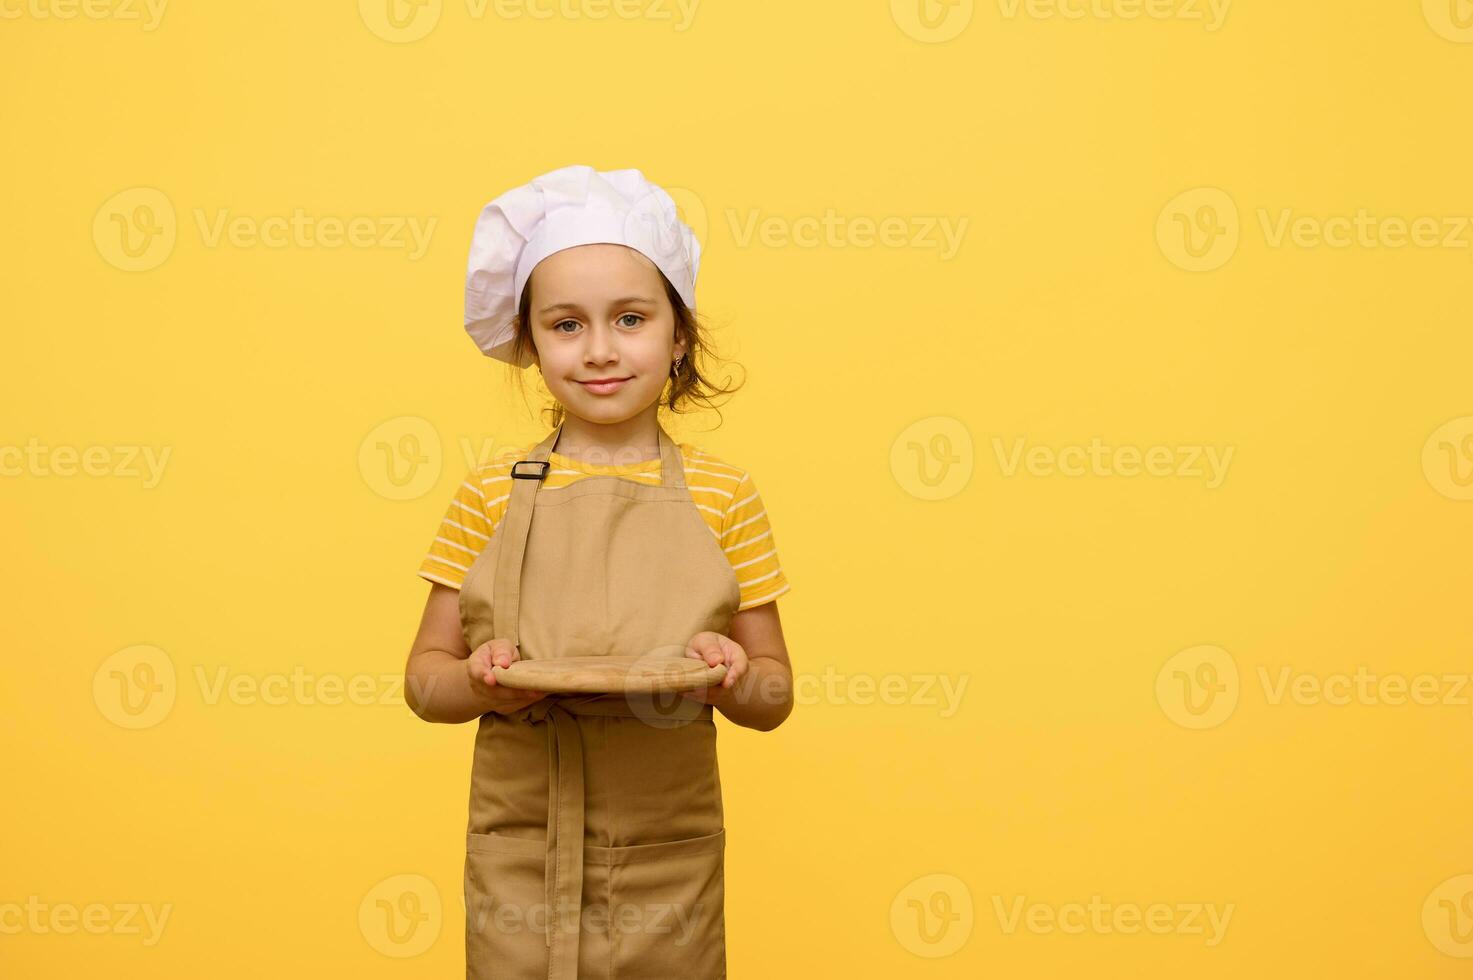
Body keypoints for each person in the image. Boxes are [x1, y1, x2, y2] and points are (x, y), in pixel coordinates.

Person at [402, 164, 795, 979]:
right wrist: (480, 679)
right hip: (523, 842)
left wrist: (729, 675)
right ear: (530, 343)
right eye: (566, 325)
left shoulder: (725, 495)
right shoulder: (487, 495)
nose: (601, 350)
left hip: (666, 853)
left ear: (677, 334)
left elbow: (773, 697)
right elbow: (423, 683)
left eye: (629, 318)